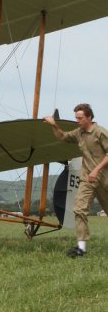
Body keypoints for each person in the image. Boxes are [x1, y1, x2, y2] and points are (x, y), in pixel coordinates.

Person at [44, 104, 108, 258]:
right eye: (76, 118)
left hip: (104, 179)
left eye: (80, 118)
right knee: (79, 209)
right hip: (87, 179)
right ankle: (81, 248)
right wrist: (54, 125)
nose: (77, 121)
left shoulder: (100, 132)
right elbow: (63, 137)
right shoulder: (78, 133)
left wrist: (96, 170)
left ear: (89, 117)